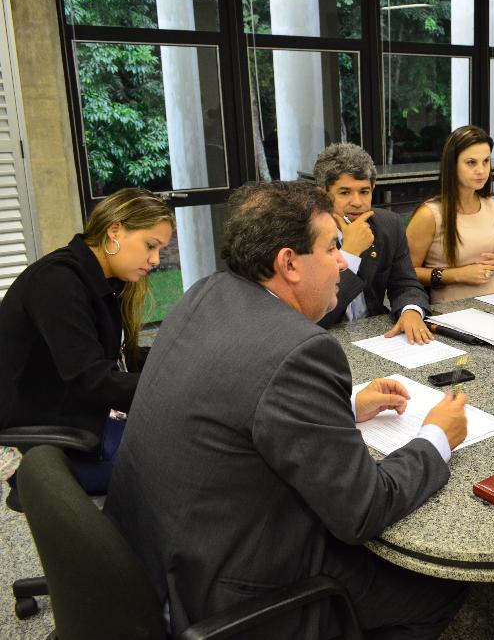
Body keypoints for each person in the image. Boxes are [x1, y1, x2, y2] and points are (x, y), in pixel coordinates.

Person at [104, 180, 468, 639]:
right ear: (288, 263)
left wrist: (344, 409)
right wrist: (436, 437)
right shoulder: (301, 351)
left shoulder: (205, 294)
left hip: (153, 558)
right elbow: (363, 510)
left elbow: (239, 400)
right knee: (437, 588)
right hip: (223, 591)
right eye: (333, 246)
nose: (343, 262)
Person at [0, 188, 174, 492]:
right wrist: (175, 389)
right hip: (43, 444)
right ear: (115, 230)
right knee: (180, 464)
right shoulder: (58, 282)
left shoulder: (101, 281)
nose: (155, 260)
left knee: (179, 440)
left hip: (75, 417)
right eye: (151, 246)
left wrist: (178, 362)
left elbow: (117, 358)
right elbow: (92, 379)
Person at [314, 142, 433, 344]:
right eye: (345, 192)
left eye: (364, 192)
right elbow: (319, 315)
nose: (358, 202)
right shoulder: (306, 236)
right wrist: (350, 253)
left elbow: (405, 284)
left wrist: (411, 310)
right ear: (323, 194)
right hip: (326, 337)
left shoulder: (388, 225)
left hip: (376, 334)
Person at [406, 125, 494, 304]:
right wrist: (457, 275)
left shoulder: (492, 206)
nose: (481, 170)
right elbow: (406, 273)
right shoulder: (429, 215)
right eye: (471, 162)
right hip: (451, 309)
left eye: (486, 161)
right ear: (452, 165)